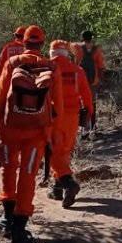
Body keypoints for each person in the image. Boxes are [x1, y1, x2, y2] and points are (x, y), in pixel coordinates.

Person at [0, 25, 63, 243]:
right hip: (37, 133)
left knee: (10, 168)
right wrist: (53, 135)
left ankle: (7, 218)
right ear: (41, 44)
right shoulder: (51, 66)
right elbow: (57, 106)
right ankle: (19, 230)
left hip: (11, 130)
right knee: (28, 175)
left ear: (24, 42)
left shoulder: (13, 63)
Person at [46, 40, 93, 208]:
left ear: (52, 53)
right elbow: (87, 96)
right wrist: (89, 116)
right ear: (66, 53)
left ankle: (68, 182)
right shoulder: (77, 70)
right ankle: (58, 188)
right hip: (73, 118)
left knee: (51, 151)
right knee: (64, 151)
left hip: (53, 117)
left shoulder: (46, 68)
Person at [72, 30, 105, 129]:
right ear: (91, 38)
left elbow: (75, 62)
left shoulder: (77, 48)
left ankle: (84, 126)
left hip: (81, 79)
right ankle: (93, 125)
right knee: (93, 102)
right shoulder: (97, 49)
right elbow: (100, 66)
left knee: (82, 101)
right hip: (93, 79)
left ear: (82, 38)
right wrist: (99, 78)